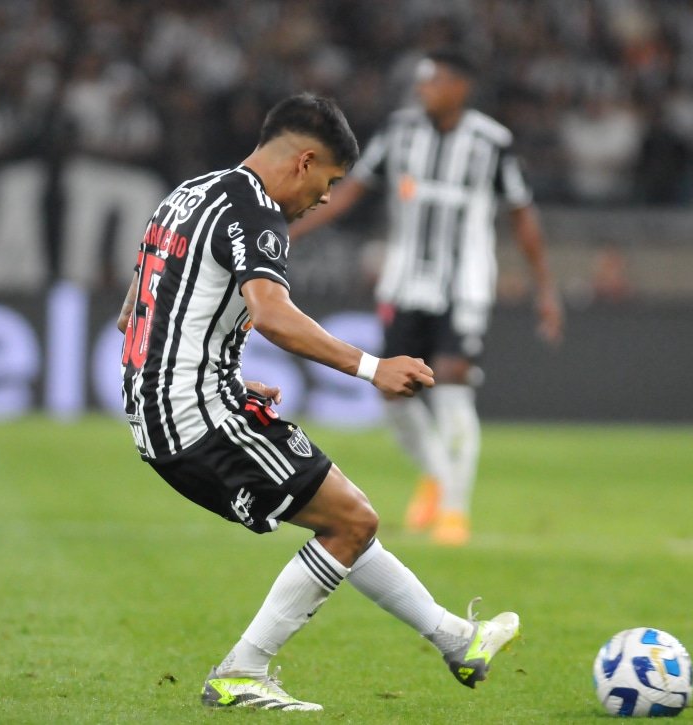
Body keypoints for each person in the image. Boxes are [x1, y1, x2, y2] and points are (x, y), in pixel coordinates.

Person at [117, 92, 520, 712]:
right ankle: (241, 672)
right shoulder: (256, 213)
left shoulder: (189, 194)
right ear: (304, 161)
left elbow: (135, 313)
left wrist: (213, 371)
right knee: (353, 521)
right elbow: (273, 316)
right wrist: (371, 367)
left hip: (167, 406)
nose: (327, 198)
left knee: (347, 523)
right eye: (329, 180)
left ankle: (455, 639)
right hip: (194, 413)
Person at [289, 49, 563, 546]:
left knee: (454, 382)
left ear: (460, 87)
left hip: (465, 285)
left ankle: (454, 511)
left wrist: (545, 287)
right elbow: (352, 190)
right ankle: (438, 475)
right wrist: (295, 228)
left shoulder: (491, 143)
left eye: (433, 81)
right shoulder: (399, 132)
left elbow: (522, 215)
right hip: (403, 281)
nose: (423, 89)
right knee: (393, 389)